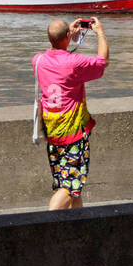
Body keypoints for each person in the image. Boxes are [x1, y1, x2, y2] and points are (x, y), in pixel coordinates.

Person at [36, 17, 109, 210]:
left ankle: (78, 227)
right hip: (74, 136)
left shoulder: (38, 61)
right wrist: (100, 32)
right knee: (69, 188)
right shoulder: (73, 63)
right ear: (67, 36)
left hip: (52, 135)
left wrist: (65, 33)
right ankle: (45, 225)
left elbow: (55, 46)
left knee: (73, 188)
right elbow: (103, 62)